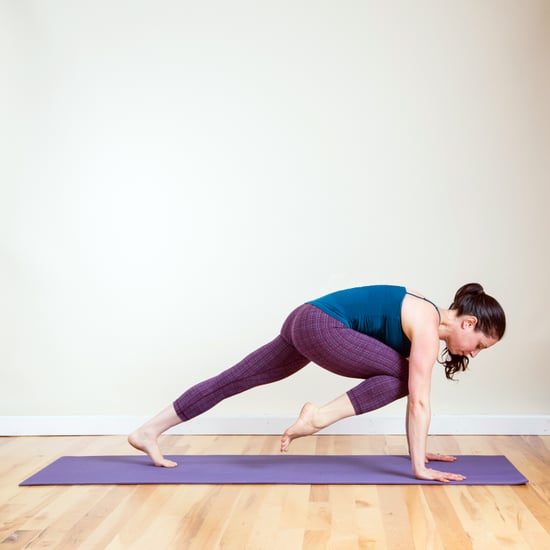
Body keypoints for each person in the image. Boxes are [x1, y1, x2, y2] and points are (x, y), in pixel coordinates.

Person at [129, 282, 505, 482]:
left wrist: (418, 450)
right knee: (409, 378)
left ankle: (149, 431)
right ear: (468, 323)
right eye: (479, 346)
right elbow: (419, 400)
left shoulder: (424, 313)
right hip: (320, 325)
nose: (472, 354)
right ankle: (318, 418)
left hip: (304, 320)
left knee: (234, 379)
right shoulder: (425, 323)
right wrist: (418, 466)